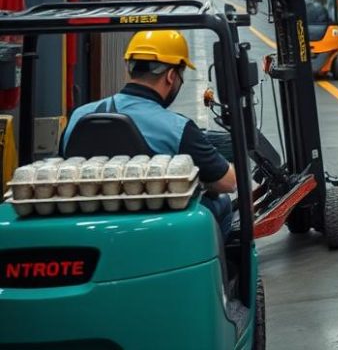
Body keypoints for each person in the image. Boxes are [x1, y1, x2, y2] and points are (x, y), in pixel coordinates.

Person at [61, 30, 237, 234]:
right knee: (221, 203)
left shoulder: (78, 116)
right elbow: (228, 182)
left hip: (83, 226)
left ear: (129, 69)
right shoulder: (178, 128)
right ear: (171, 76)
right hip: (155, 230)